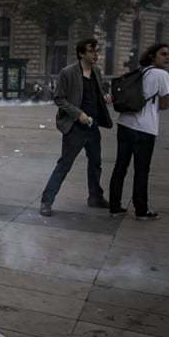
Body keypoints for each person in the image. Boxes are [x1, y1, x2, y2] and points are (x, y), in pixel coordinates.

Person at [39, 38, 113, 217]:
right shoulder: (68, 72)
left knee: (96, 163)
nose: (95, 55)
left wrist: (103, 99)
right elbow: (59, 98)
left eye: (96, 51)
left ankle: (95, 197)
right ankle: (46, 201)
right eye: (91, 51)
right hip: (75, 127)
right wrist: (78, 114)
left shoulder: (96, 71)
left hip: (92, 126)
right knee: (65, 164)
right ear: (81, 53)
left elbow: (94, 94)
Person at [108, 43, 169, 220]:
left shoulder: (140, 71)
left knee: (120, 167)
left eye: (168, 54)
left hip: (125, 124)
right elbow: (165, 105)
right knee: (142, 170)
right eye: (164, 54)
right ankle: (141, 210)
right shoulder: (162, 74)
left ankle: (115, 207)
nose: (168, 57)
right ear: (153, 56)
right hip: (145, 128)